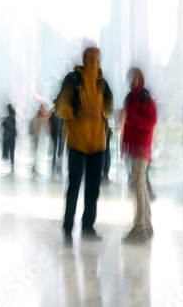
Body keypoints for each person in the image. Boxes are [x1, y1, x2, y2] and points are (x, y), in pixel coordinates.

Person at [54, 47, 113, 241]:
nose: (93, 60)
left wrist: (103, 114)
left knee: (93, 188)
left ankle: (88, 226)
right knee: (74, 186)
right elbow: (60, 108)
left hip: (98, 145)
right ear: (84, 58)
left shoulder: (102, 83)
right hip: (77, 143)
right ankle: (68, 227)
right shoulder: (73, 80)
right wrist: (80, 113)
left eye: (96, 57)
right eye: (90, 57)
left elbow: (108, 107)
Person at [121, 67, 157, 243]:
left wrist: (131, 120)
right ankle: (146, 225)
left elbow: (151, 122)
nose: (132, 81)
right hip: (134, 148)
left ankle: (140, 228)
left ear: (140, 79)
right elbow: (125, 125)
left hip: (142, 148)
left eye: (134, 78)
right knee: (140, 186)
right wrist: (125, 147)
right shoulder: (130, 98)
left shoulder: (144, 97)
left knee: (138, 187)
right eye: (130, 78)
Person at [2, 103, 17, 170]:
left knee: (6, 149)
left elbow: (3, 126)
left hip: (6, 136)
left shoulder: (6, 117)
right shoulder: (15, 117)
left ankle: (5, 163)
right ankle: (12, 164)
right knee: (12, 150)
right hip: (12, 136)